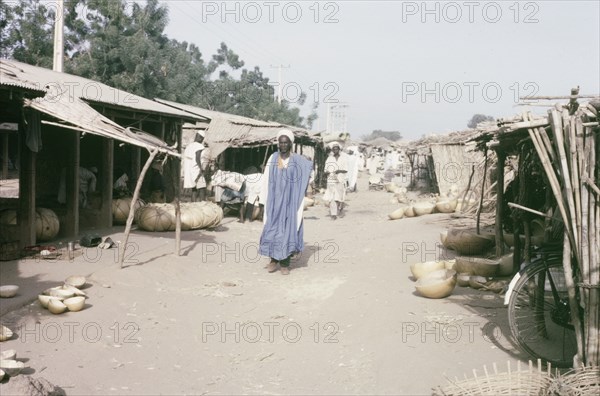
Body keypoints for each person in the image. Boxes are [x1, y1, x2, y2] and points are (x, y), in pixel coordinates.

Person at [259, 129, 312, 275]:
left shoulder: (297, 160)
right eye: (281, 142)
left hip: (290, 203)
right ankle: (273, 260)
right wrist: (262, 199)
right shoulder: (273, 158)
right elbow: (265, 179)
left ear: (290, 144)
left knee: (288, 231)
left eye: (286, 142)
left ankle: (285, 263)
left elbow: (309, 171)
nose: (283, 145)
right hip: (274, 202)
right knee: (273, 229)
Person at [323, 142, 348, 219]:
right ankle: (333, 214)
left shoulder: (343, 159)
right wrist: (327, 172)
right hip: (331, 180)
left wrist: (339, 171)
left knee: (339, 197)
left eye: (336, 149)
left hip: (340, 179)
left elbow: (346, 170)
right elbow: (326, 169)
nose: (335, 150)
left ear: (339, 149)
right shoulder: (329, 158)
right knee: (332, 197)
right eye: (333, 149)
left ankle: (339, 207)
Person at [183, 131, 210, 201]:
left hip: (189, 169)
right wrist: (201, 168)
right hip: (196, 169)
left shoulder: (189, 146)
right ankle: (203, 204)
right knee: (202, 187)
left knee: (194, 189)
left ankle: (193, 205)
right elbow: (197, 157)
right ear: (201, 138)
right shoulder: (199, 146)